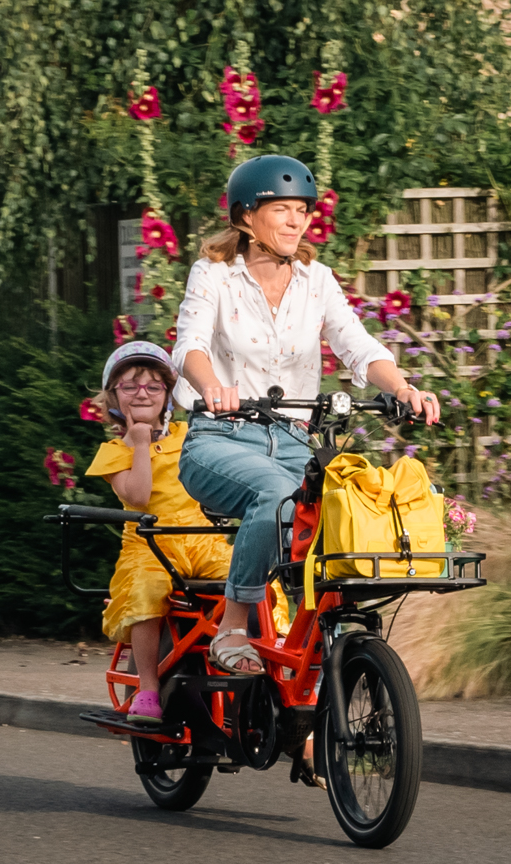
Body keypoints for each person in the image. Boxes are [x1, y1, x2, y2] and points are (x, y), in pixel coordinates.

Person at [172, 154, 441, 675]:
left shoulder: (316, 280)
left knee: (349, 508)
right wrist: (212, 388)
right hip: (219, 439)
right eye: (282, 210)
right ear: (246, 216)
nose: (297, 221)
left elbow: (357, 345)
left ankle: (318, 650)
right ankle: (231, 628)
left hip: (294, 441)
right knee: (276, 495)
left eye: (302, 210)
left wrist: (405, 388)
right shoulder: (214, 274)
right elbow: (191, 346)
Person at [85, 342, 289, 722]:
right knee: (146, 591)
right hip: (150, 546)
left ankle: (275, 668)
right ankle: (147, 687)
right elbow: (139, 496)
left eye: (153, 386)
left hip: (203, 540)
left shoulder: (189, 435)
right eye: (130, 386)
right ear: (113, 397)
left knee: (259, 577)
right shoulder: (113, 450)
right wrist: (141, 444)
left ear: (169, 395)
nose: (142, 393)